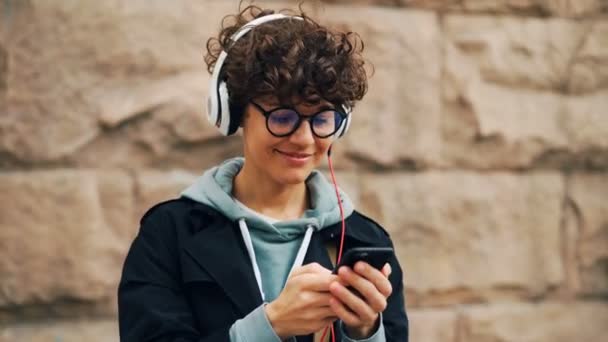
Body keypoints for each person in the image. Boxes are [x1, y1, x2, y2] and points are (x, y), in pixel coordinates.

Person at [118, 4, 408, 342]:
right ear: (235, 113)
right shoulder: (168, 235)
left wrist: (364, 334)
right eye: (282, 117)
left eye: (322, 119)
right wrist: (269, 326)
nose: (303, 139)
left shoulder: (366, 242)